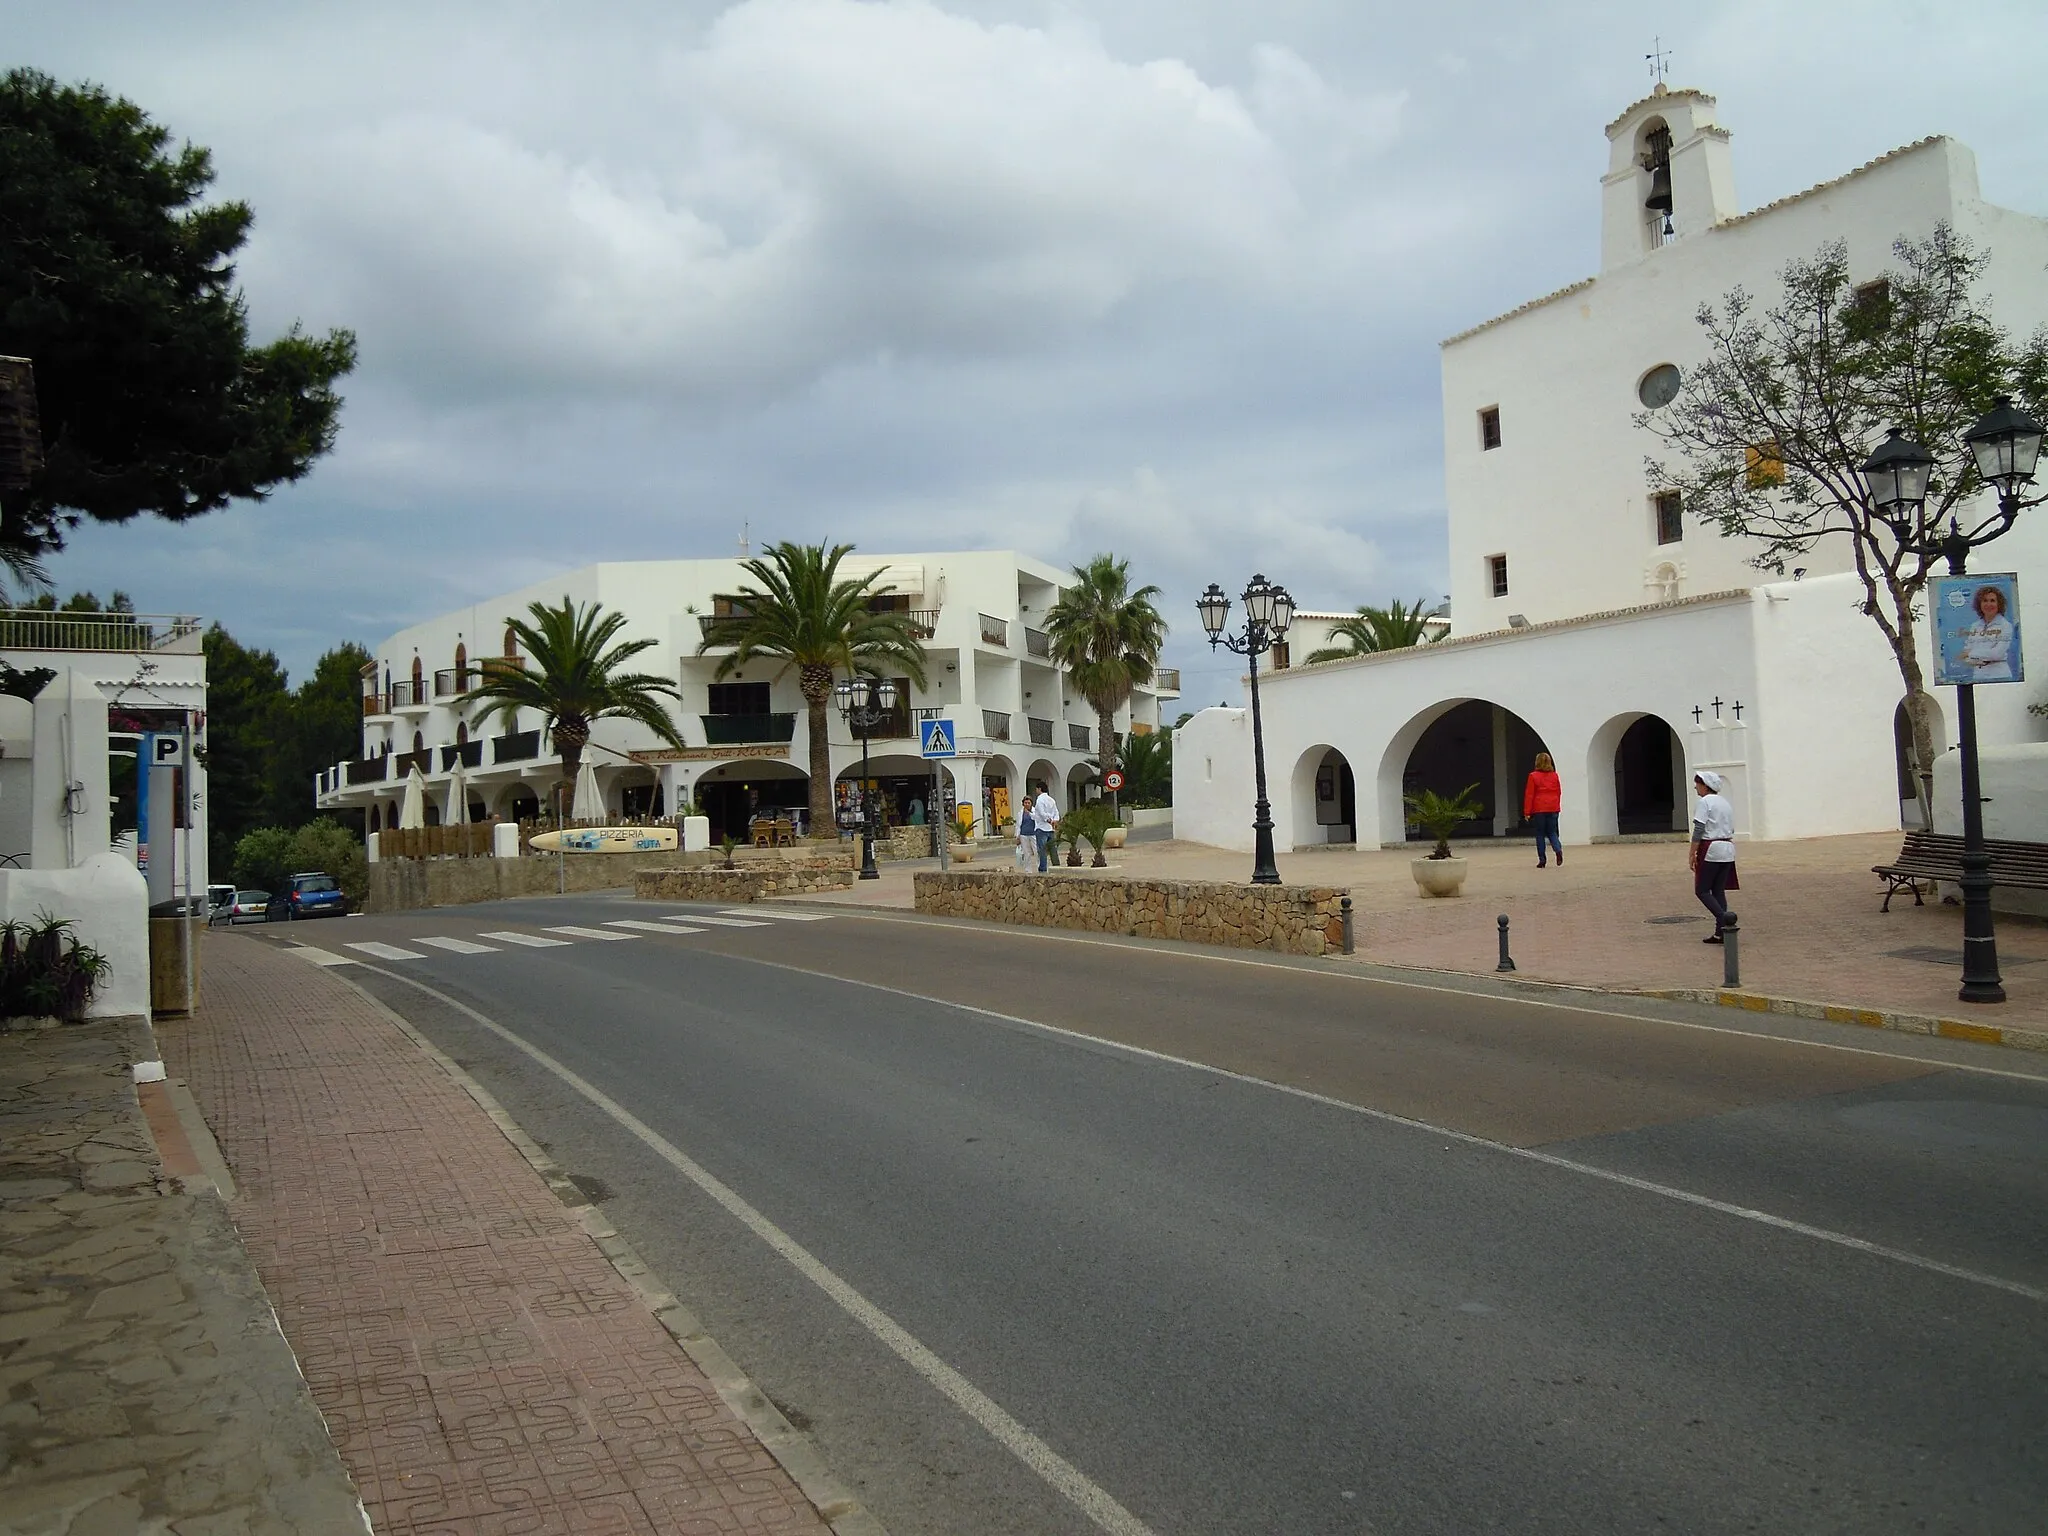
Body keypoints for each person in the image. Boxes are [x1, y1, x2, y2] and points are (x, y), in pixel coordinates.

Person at [1690, 770, 1738, 942]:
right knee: (1718, 890)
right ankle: (1721, 932)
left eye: (1698, 783)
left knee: (1702, 890)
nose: (1696, 787)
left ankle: (1724, 918)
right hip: (1727, 848)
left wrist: (1692, 852)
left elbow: (1699, 829)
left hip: (1711, 848)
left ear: (1705, 785)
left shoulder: (1705, 802)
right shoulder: (1724, 802)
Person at [1958, 584, 2017, 682]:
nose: (1988, 604)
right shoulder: (1975, 626)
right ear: (1979, 604)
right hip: (1978, 675)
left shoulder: (2005, 626)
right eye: (1985, 600)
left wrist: (1972, 654)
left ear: (1999, 604)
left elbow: (1997, 654)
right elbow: (1965, 654)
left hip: (1999, 675)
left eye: (1992, 601)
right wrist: (1977, 656)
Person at [1523, 751, 1563, 868]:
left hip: (1539, 808)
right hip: (1553, 807)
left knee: (1540, 834)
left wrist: (1527, 812)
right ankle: (1558, 849)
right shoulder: (1554, 776)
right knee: (1552, 832)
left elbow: (1529, 795)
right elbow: (1558, 792)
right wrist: (1556, 805)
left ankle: (1542, 859)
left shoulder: (1533, 776)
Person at [1032, 785, 1062, 873]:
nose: (1036, 790)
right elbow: (1056, 812)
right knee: (1053, 849)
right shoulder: (1051, 800)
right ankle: (1057, 867)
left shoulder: (1040, 800)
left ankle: (1043, 869)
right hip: (1050, 829)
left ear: (1039, 789)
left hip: (1042, 827)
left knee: (1042, 850)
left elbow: (1041, 813)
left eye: (1037, 789)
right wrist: (1055, 821)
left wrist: (1049, 820)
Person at [1016, 798, 1036, 868]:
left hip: (1033, 834)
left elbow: (1036, 819)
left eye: (1028, 803)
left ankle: (1040, 868)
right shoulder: (1020, 813)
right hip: (1024, 835)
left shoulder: (1035, 811)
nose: (1027, 804)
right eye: (1025, 803)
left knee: (1036, 851)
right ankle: (1028, 869)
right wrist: (1017, 836)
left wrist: (1029, 813)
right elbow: (1018, 825)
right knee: (1026, 853)